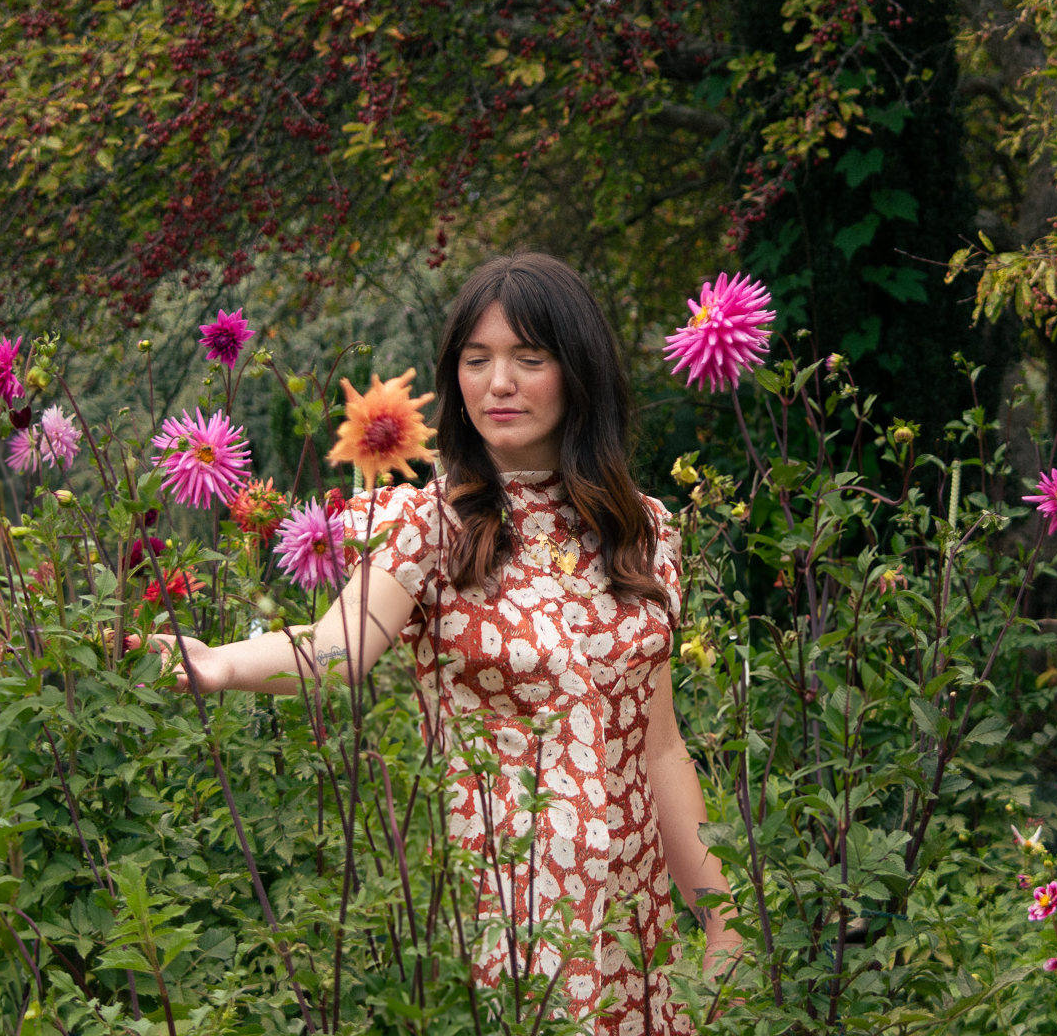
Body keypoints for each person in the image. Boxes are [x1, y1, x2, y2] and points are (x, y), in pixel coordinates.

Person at [147, 253, 738, 1034]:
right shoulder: (433, 524)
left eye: (530, 359)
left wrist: (723, 921)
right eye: (477, 359)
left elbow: (659, 746)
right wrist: (216, 663)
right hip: (505, 916)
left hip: (631, 925)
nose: (500, 383)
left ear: (578, 372)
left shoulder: (641, 529)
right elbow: (335, 649)